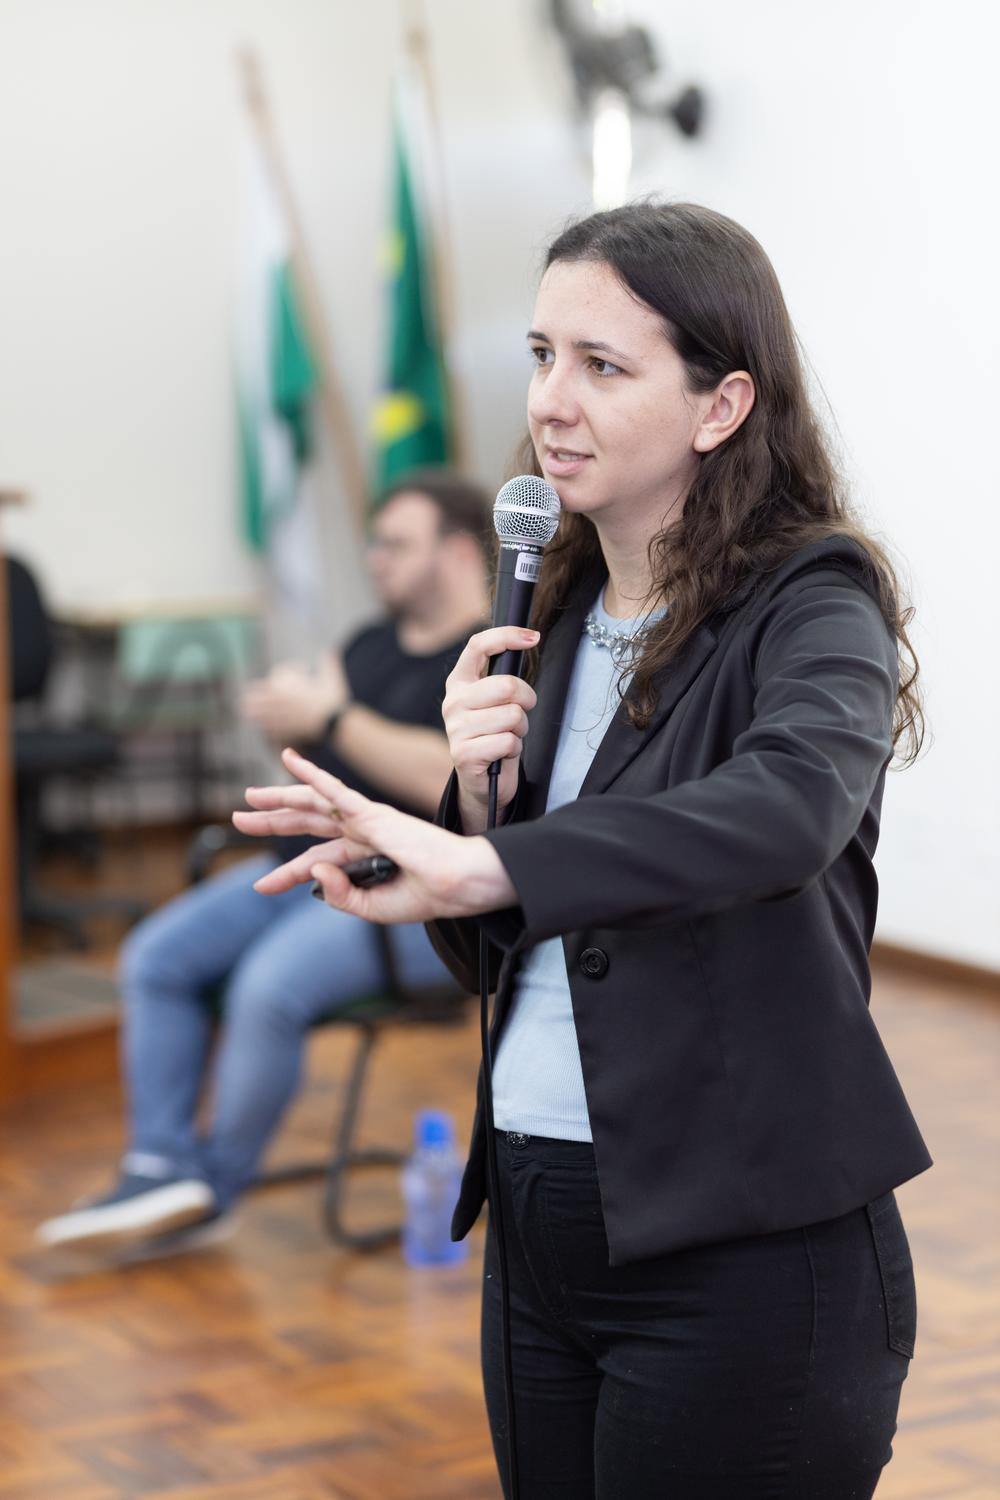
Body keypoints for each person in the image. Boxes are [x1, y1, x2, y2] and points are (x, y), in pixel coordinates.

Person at [231, 203, 931, 1498]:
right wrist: (473, 806)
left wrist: (495, 862)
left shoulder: (812, 601)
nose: (551, 401)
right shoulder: (543, 616)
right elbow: (502, 953)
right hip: (540, 1227)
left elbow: (784, 810)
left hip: (740, 1248)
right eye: (543, 355)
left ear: (721, 406)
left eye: (603, 366)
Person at [37, 468, 491, 1254]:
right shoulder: (366, 645)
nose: (376, 559)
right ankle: (160, 1166)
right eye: (374, 543)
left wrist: (332, 715)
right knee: (154, 957)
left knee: (265, 989)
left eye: (395, 544)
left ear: (456, 552)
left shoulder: (488, 660)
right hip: (303, 872)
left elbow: (452, 778)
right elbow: (316, 744)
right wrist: (293, 718)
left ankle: (209, 1192)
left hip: (418, 897)